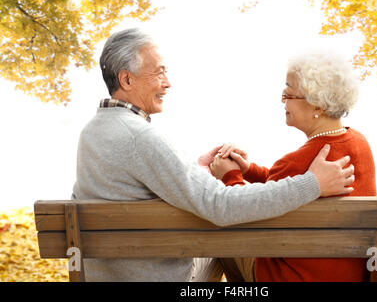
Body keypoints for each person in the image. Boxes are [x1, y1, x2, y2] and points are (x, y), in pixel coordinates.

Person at [71, 28, 355, 282]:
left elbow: (130, 186)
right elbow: (221, 206)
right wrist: (312, 184)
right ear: (126, 79)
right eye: (158, 72)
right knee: (227, 241)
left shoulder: (93, 132)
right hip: (161, 277)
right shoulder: (140, 137)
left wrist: (195, 170)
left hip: (108, 274)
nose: (167, 82)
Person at [210, 50, 377, 282]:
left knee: (218, 237)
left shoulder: (296, 162)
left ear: (317, 106)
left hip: (291, 277)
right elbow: (286, 187)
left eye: (288, 95)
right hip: (347, 275)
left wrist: (229, 176)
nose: (282, 101)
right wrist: (249, 170)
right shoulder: (359, 143)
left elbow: (242, 209)